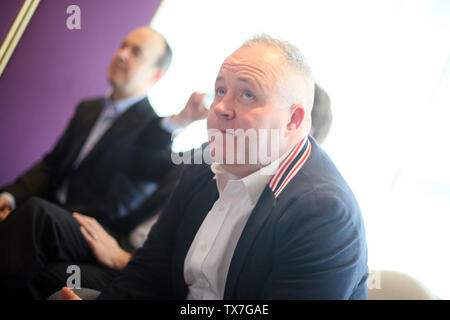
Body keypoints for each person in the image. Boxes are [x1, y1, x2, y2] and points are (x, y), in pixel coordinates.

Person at [62, 34, 368, 300]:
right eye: (220, 91)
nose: (220, 107)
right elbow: (148, 272)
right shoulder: (203, 164)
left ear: (294, 121)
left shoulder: (324, 211)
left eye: (247, 94)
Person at [0, 27, 207, 298]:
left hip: (90, 226)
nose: (121, 54)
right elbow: (52, 166)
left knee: (37, 215)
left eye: (136, 52)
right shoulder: (88, 109)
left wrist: (177, 121)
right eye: (123, 45)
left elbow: (133, 185)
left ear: (155, 75)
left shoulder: (151, 130)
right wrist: (11, 197)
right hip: (52, 213)